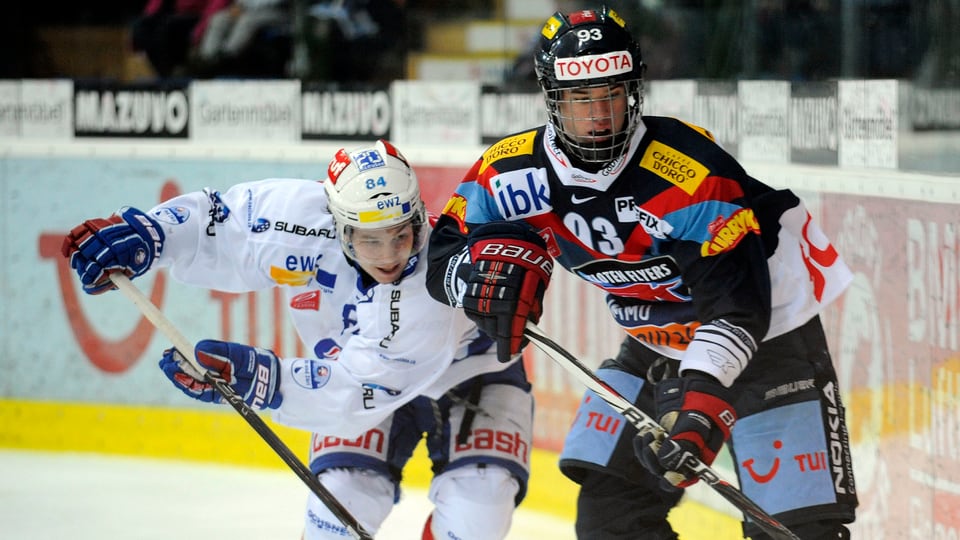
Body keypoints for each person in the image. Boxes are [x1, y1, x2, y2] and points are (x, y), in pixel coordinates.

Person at [425, 6, 857, 540]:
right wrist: (472, 278)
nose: (599, 113)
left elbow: (739, 306)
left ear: (634, 91)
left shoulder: (688, 171)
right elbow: (441, 249)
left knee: (798, 531)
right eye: (580, 98)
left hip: (772, 332)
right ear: (551, 99)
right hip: (653, 339)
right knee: (611, 518)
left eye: (611, 93)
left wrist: (701, 400)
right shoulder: (508, 173)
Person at [59, 140, 534, 539]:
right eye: (370, 240)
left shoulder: (428, 286)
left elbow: (360, 391)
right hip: (356, 370)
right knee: (338, 511)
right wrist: (150, 234)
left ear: (417, 221)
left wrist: (260, 379)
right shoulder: (296, 217)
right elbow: (216, 225)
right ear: (339, 226)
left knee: (480, 510)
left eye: (400, 236)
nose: (389, 256)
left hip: (473, 375)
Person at [131, 0, 229, 78]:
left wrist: (198, 32)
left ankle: (171, 76)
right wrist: (147, 18)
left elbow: (215, 6)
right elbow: (154, 6)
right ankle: (163, 75)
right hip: (177, 14)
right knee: (141, 27)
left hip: (199, 16)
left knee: (168, 28)